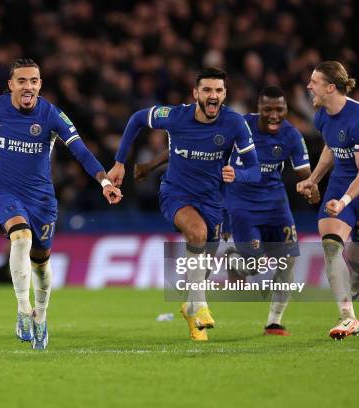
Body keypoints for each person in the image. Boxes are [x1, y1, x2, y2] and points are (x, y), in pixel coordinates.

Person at [0, 58, 122, 349]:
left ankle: (40, 316)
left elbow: (80, 151)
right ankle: (22, 309)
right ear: (11, 85)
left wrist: (104, 183)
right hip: (4, 193)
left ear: (40, 85)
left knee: (41, 263)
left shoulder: (52, 114)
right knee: (20, 239)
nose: (28, 86)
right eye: (22, 81)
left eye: (34, 81)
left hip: (41, 198)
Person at [135, 86, 319, 336]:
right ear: (258, 110)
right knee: (253, 264)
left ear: (286, 109)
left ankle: (274, 322)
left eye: (280, 109)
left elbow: (304, 174)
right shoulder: (238, 125)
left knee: (289, 259)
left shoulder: (292, 136)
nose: (274, 115)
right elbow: (186, 148)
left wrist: (311, 186)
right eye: (268, 109)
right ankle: (234, 264)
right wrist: (151, 164)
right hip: (240, 204)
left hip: (277, 205)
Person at [108, 67, 260, 341]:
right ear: (196, 93)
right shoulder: (175, 116)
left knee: (204, 266)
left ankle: (191, 309)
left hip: (213, 201)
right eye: (207, 90)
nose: (213, 95)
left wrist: (239, 174)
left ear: (224, 94)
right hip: (175, 193)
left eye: (218, 90)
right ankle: (200, 306)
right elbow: (136, 119)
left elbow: (255, 170)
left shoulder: (235, 123)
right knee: (197, 233)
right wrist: (120, 162)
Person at [297, 61, 359, 340]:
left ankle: (356, 289)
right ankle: (348, 318)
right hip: (340, 183)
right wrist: (314, 179)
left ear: (330, 87)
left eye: (313, 81)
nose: (308, 86)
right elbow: (331, 147)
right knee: (330, 245)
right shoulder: (322, 115)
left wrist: (345, 201)